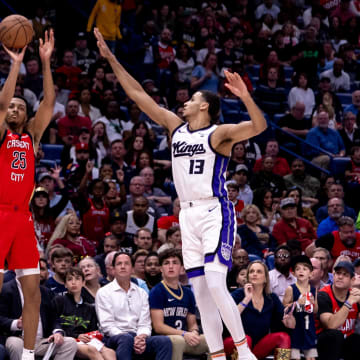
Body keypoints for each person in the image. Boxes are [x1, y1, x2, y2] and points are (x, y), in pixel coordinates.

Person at [94, 27, 267, 360]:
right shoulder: (176, 127)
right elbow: (137, 95)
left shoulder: (220, 135)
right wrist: (112, 58)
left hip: (214, 211)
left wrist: (245, 97)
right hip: (186, 214)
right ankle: (217, 355)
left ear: (204, 107)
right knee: (201, 293)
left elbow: (258, 127)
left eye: (192, 100)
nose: (185, 102)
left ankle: (244, 352)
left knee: (216, 284)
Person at [0, 30, 55, 360]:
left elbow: (48, 103)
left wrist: (46, 62)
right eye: (12, 107)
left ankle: (29, 355)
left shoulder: (32, 136)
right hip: (0, 213)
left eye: (21, 106)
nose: (14, 110)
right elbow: (2, 101)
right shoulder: (2, 133)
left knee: (32, 292)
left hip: (23, 218)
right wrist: (15, 65)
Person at [95, 252, 172, 360]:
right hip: (114, 338)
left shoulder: (141, 293)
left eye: (126, 263)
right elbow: (107, 326)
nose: (122, 266)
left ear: (132, 268)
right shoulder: (104, 292)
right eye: (119, 264)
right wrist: (132, 339)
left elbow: (145, 323)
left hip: (137, 336)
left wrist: (141, 337)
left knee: (164, 341)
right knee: (126, 339)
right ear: (113, 269)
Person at [225, 260, 295, 360]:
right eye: (252, 271)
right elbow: (228, 317)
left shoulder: (271, 298)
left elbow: (289, 324)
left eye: (259, 271)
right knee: (245, 340)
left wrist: (290, 318)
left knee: (283, 337)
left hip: (257, 347)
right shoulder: (238, 294)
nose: (254, 274)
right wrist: (246, 299)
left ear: (266, 278)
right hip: (233, 344)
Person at [149, 249, 209, 360]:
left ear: (181, 268)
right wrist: (183, 334)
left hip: (185, 336)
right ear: (161, 269)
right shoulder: (157, 291)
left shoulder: (188, 293)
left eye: (175, 262)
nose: (171, 266)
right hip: (165, 339)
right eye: (166, 263)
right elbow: (158, 327)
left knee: (211, 340)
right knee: (178, 341)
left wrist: (194, 332)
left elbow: (192, 323)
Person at [0, 278, 77, 360]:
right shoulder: (4, 290)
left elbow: (54, 318)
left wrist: (57, 332)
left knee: (70, 343)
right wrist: (17, 323)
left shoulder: (45, 292)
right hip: (18, 338)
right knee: (15, 343)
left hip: (41, 341)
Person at [53, 267, 116, 360]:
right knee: (92, 350)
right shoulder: (59, 300)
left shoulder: (89, 307)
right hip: (69, 340)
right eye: (70, 279)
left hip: (87, 340)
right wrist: (77, 336)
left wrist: (87, 337)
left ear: (83, 283)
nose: (73, 282)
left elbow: (93, 330)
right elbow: (55, 323)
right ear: (65, 284)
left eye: (77, 279)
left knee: (110, 352)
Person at [316, 261, 360, 360]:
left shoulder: (354, 295)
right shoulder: (323, 295)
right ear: (333, 275)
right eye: (338, 273)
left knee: (356, 339)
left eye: (345, 274)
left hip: (346, 344)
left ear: (352, 280)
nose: (340, 277)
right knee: (335, 335)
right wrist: (349, 303)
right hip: (323, 344)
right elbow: (331, 325)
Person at [283, 255, 318, 360]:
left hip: (309, 328)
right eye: (298, 269)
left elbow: (316, 311)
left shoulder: (313, 289)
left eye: (304, 269)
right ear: (293, 273)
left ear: (311, 273)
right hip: (295, 328)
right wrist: (296, 303)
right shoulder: (291, 289)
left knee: (311, 357)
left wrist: (313, 303)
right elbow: (284, 307)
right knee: (295, 357)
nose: (301, 271)